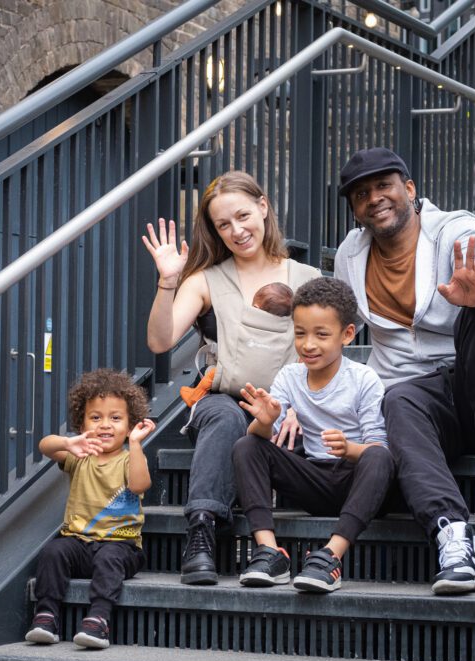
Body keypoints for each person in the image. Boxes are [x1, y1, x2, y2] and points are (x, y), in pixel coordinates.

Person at [333, 147, 475, 595]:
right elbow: (331, 320)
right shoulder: (350, 256)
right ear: (355, 209)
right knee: (399, 397)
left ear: (409, 189)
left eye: (383, 186)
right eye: (361, 194)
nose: (374, 198)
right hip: (418, 406)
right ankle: (455, 536)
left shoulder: (458, 231)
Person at [142, 171, 320, 585]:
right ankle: (201, 532)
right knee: (226, 419)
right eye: (224, 224)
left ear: (263, 207)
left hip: (287, 404)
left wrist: (298, 406)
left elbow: (324, 356)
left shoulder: (308, 278)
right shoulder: (206, 279)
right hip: (224, 400)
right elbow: (160, 340)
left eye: (243, 216)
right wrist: (169, 283)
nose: (237, 230)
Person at [232, 277, 394, 593]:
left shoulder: (364, 379)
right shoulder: (290, 376)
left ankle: (331, 556)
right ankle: (269, 552)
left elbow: (379, 447)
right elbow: (263, 438)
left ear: (347, 334)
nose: (308, 345)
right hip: (314, 479)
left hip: (358, 481)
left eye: (321, 335)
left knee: (379, 457)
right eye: (300, 334)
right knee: (247, 444)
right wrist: (265, 422)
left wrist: (350, 450)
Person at [24, 368, 155, 649]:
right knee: (53, 551)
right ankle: (46, 615)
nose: (105, 425)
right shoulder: (80, 455)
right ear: (82, 424)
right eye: (96, 418)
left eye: (116, 418)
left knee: (109, 559)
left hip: (122, 547)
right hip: (78, 543)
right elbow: (45, 445)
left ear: (131, 424)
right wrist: (68, 442)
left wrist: (135, 444)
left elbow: (139, 484)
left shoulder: (128, 458)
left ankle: (99, 619)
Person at [179, 282, 294, 407]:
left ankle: (194, 396)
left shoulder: (245, 325)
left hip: (237, 377)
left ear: (256, 307)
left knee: (213, 373)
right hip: (269, 384)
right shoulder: (287, 332)